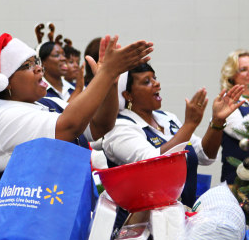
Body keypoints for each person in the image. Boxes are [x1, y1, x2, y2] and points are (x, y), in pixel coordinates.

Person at [0, 33, 153, 187]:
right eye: (27, 65)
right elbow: (70, 126)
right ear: (5, 82)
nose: (38, 68)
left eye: (35, 62)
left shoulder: (48, 104)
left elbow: (100, 125)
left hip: (63, 214)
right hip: (33, 221)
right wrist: (106, 73)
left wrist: (111, 81)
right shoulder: (2, 117)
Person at [102, 63, 244, 207]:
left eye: (155, 78)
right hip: (139, 224)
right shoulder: (120, 127)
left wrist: (217, 121)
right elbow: (152, 163)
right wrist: (189, 125)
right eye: (147, 81)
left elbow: (205, 155)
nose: (157, 83)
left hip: (178, 218)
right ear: (128, 95)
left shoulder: (167, 118)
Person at [218, 49, 249, 183]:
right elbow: (243, 132)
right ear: (231, 75)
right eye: (243, 69)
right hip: (236, 184)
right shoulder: (227, 101)